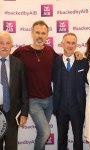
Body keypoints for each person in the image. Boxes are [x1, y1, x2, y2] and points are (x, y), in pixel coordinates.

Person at [12, 20, 83, 150]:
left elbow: (65, 58)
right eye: (37, 32)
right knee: (45, 132)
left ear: (47, 35)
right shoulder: (22, 51)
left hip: (50, 99)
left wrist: (77, 53)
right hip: (33, 101)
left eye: (43, 33)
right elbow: (8, 63)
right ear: (32, 33)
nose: (40, 36)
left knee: (41, 134)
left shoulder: (50, 51)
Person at [53, 33, 89, 150]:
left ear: (76, 45)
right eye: (68, 42)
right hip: (60, 107)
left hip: (78, 107)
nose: (70, 45)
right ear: (62, 43)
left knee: (78, 139)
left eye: (73, 43)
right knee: (61, 138)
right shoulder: (55, 62)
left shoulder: (83, 62)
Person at [0, 31, 28, 150]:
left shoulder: (18, 64)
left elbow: (24, 90)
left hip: (12, 113)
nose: (5, 46)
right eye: (1, 43)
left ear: (12, 45)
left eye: (8, 43)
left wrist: (24, 113)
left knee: (11, 146)